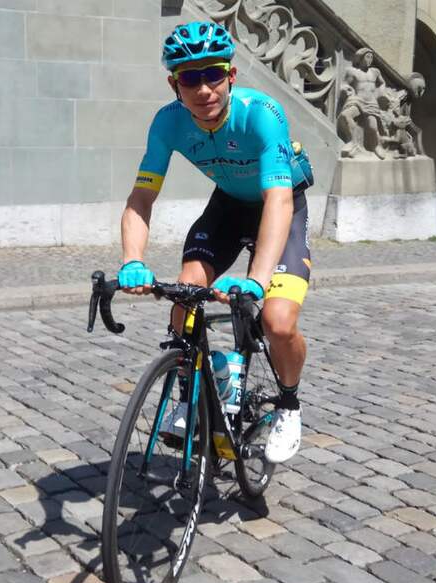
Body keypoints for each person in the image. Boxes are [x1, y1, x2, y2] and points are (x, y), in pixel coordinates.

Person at [115, 21, 314, 463]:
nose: (203, 88)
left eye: (213, 74)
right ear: (175, 84)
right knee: (186, 292)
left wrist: (256, 281)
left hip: (279, 207)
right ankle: (190, 394)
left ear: (231, 76)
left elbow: (278, 200)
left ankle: (288, 405)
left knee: (279, 322)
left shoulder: (262, 113)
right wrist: (132, 259)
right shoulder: (167, 123)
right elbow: (142, 196)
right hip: (226, 207)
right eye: (189, 77)